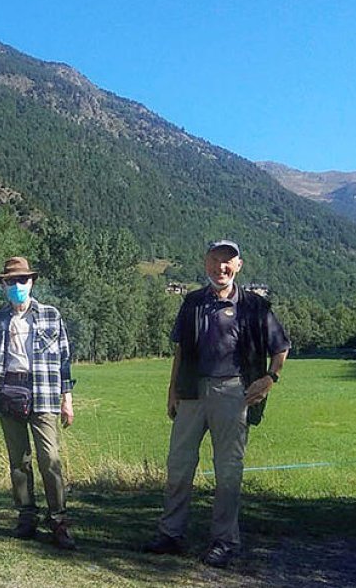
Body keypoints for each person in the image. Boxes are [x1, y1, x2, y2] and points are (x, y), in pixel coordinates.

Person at [143, 240, 290, 568]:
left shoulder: (255, 306)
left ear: (238, 265)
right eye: (214, 260)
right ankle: (171, 535)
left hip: (234, 393)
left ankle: (224, 541)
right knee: (179, 465)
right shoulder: (193, 301)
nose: (220, 267)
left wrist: (269, 379)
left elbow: (281, 347)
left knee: (228, 471)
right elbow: (180, 349)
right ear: (205, 262)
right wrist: (172, 390)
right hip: (191, 394)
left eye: (227, 261)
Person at [0, 256, 76, 551]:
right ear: (3, 285)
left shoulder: (52, 315)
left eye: (22, 280)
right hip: (8, 390)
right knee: (19, 461)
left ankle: (58, 520)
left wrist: (67, 401)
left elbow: (64, 362)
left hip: (44, 392)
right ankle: (27, 515)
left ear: (32, 282)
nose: (17, 286)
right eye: (10, 281)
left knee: (49, 459)